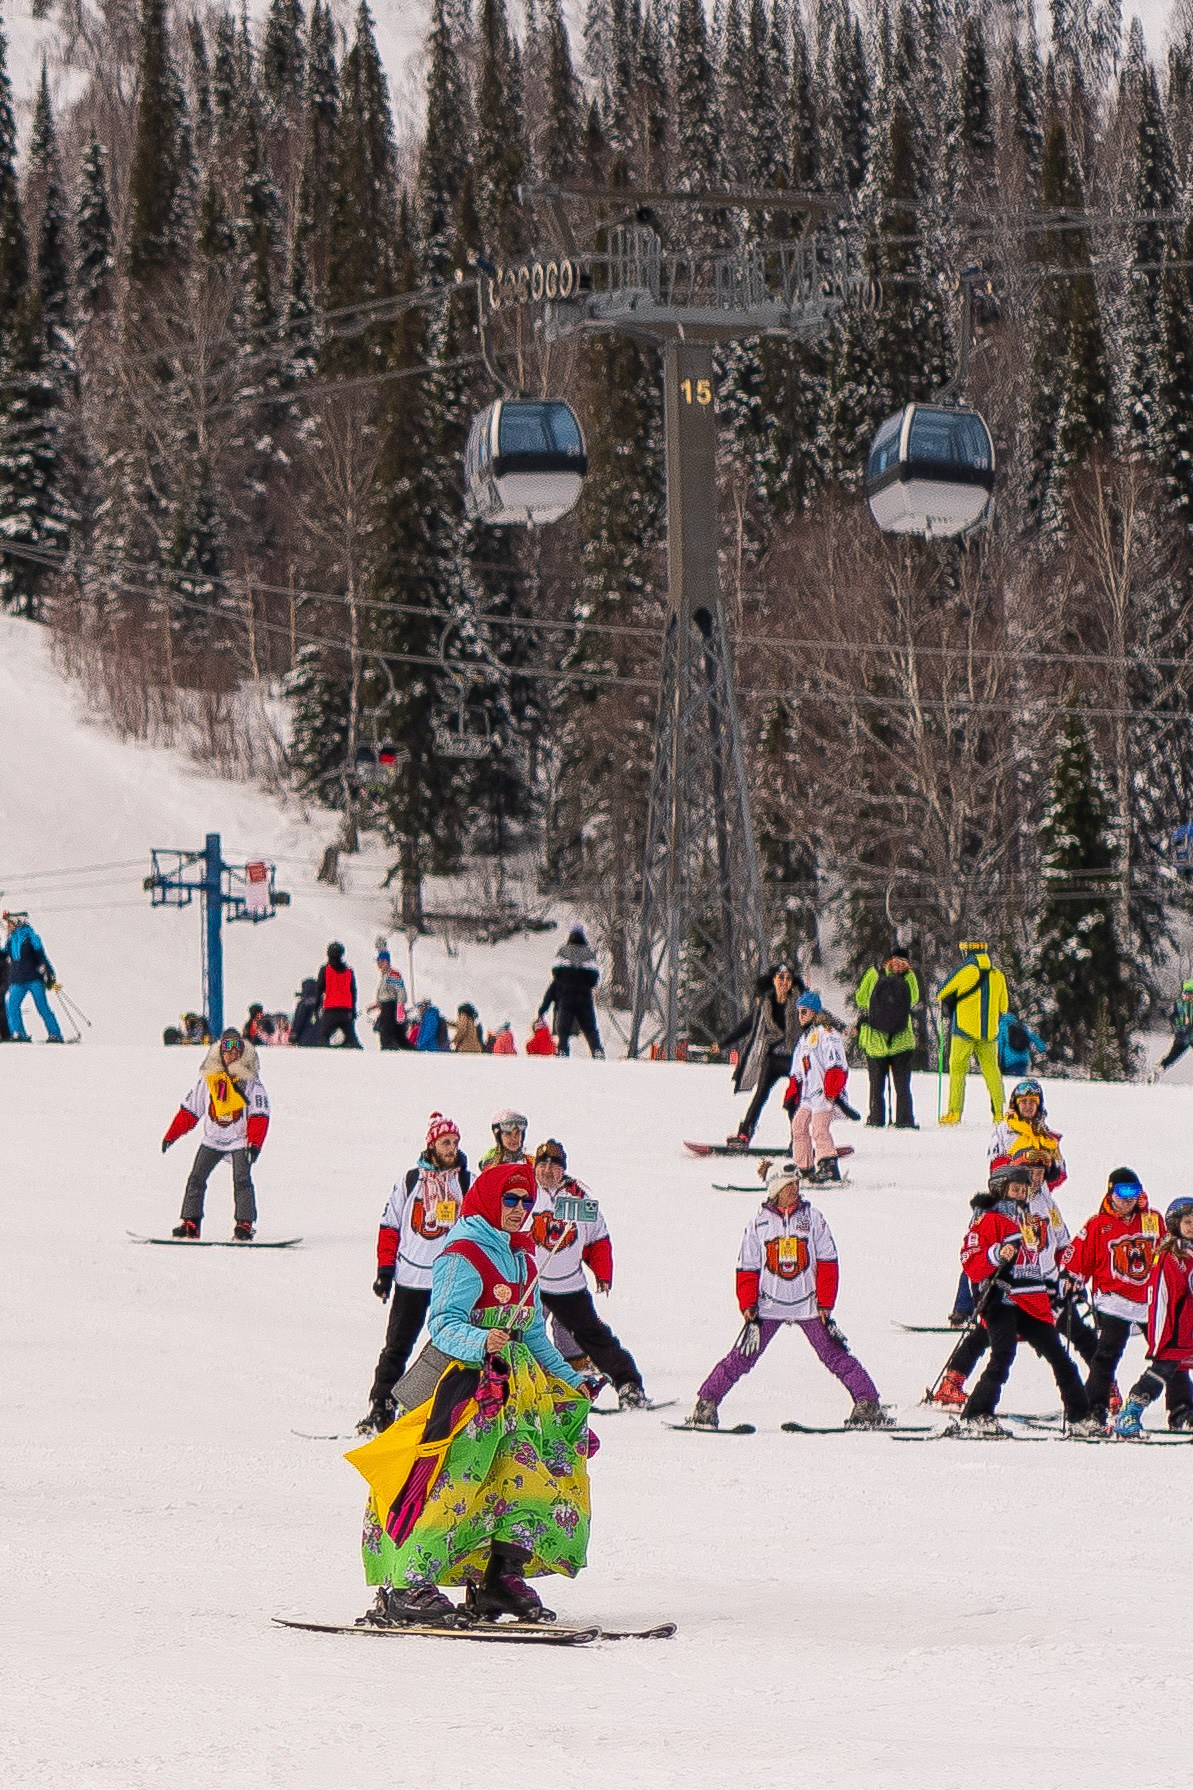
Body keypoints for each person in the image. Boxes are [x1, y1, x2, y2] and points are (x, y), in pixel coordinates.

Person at [346, 1161, 596, 1627]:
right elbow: (443, 1324)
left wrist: (569, 1378)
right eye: (510, 1199)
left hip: (520, 1398)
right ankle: (409, 1583)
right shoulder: (463, 1253)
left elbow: (534, 1335)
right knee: (454, 1481)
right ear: (488, 1199)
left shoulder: (523, 1259)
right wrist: (482, 1341)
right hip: (470, 1393)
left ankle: (499, 1577)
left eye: (526, 1201)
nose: (520, 1209)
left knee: (526, 1477)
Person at [684, 1160, 888, 1430]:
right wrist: (748, 1305)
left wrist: (825, 1302)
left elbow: (828, 1261)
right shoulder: (759, 1223)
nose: (795, 1189)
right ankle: (706, 1404)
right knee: (742, 1356)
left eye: (796, 1184)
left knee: (834, 1354)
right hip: (769, 1306)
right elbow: (747, 1267)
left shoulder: (813, 1218)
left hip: (808, 1305)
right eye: (789, 1185)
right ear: (776, 1189)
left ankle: (868, 1403)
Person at [932, 1147, 1094, 1407]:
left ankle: (1101, 1392)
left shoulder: (1046, 1202)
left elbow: (1061, 1243)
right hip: (1011, 1288)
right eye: (1030, 1172)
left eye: (1040, 1172)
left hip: (1044, 1284)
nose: (1035, 1178)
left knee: (1076, 1338)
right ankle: (957, 1387)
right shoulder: (996, 1212)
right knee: (993, 1340)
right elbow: (975, 1257)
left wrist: (1069, 1275)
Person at [357, 1113, 472, 1436]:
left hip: (450, 1281)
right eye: (445, 1142)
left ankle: (443, 1409)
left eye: (455, 1142)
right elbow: (389, 1227)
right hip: (411, 1279)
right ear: (431, 1144)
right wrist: (385, 1271)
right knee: (397, 1347)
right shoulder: (410, 1181)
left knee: (450, 1347)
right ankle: (381, 1406)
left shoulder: (467, 1182)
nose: (451, 1148)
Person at [530, 1138, 649, 1409]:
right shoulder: (526, 1193)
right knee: (519, 1335)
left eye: (554, 1165)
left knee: (594, 1336)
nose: (547, 1170)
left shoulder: (578, 1197)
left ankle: (628, 1385)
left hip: (568, 1286)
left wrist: (602, 1271)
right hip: (531, 1284)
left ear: (563, 1169)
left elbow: (597, 1238)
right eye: (542, 1165)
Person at [1062, 1168, 1170, 1428]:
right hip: (1114, 1301)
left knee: (1170, 1353)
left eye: (1134, 1191)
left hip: (1150, 1300)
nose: (1128, 1198)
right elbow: (1078, 1257)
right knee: (1106, 1357)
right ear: (1111, 1192)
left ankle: (1182, 1411)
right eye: (1122, 1192)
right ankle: (1093, 1413)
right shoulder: (1098, 1225)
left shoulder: (1152, 1219)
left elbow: (1167, 1253)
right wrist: (1072, 1278)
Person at [161, 1028, 269, 1240]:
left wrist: (254, 1144)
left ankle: (244, 1224)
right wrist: (171, 1135)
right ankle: (190, 1223)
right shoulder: (209, 1080)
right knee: (196, 1178)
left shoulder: (251, 1082)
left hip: (239, 1141)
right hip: (213, 1139)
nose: (232, 1053)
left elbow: (259, 1115)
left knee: (242, 1180)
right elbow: (190, 1110)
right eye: (227, 1047)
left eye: (237, 1047)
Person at [1115, 1196, 1193, 1436]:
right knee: (1163, 1371)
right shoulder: (1170, 1257)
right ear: (1175, 1224)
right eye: (1188, 1222)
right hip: (1176, 1331)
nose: (1192, 1227)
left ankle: (1183, 1416)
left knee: (1174, 1371)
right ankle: (1129, 1415)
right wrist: (1159, 1338)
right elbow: (1161, 1298)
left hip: (1190, 1329)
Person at [722, 962, 805, 1146]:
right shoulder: (765, 1005)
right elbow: (746, 1026)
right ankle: (744, 1134)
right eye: (780, 978)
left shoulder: (800, 1004)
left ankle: (798, 1140)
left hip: (793, 1060)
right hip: (772, 1058)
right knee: (760, 1096)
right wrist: (723, 1044)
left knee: (793, 1099)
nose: (784, 982)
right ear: (773, 980)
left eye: (788, 978)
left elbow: (818, 1016)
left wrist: (840, 1027)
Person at [936, 939, 1008, 1126]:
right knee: (993, 1072)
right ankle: (1000, 1113)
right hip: (989, 1033)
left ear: (967, 952)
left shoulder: (966, 971)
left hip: (963, 1030)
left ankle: (954, 1113)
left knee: (958, 1071)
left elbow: (941, 992)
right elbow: (1003, 1007)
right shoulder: (998, 975)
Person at [784, 992, 849, 1182]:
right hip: (808, 1094)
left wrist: (832, 1088)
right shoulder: (805, 1038)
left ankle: (829, 1166)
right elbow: (797, 1069)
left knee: (819, 1128)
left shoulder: (827, 1034)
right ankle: (804, 1166)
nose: (801, 1016)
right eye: (799, 1012)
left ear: (814, 1012)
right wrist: (793, 1090)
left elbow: (836, 1063)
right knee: (798, 1125)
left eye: (804, 1012)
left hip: (823, 1093)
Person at [853, 947, 918, 1129]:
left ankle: (876, 1118)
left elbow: (860, 999)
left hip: (876, 1040)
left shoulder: (873, 973)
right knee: (902, 1085)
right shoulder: (909, 977)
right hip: (902, 1040)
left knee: (876, 1084)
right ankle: (904, 1120)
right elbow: (914, 1000)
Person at [537, 925, 604, 1058]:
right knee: (589, 1027)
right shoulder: (589, 953)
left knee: (563, 1028)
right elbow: (594, 979)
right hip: (584, 997)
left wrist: (542, 1009)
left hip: (566, 997)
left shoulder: (563, 952)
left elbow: (555, 979)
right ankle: (597, 1050)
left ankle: (562, 1050)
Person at [987, 1081, 1066, 1189]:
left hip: (1039, 1194)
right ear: (1016, 1104)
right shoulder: (1004, 1130)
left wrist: (1051, 1169)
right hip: (1010, 1193)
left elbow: (1061, 1174)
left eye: (1032, 1102)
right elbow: (995, 1168)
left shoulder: (1046, 1136)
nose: (1028, 1106)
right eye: (1023, 1102)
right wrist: (1022, 1160)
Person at [3, 911, 63, 1043]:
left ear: (18, 922)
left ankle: (55, 1034)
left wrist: (49, 973)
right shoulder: (11, 940)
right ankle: (19, 1034)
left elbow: (41, 956)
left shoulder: (31, 937)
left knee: (42, 1007)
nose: (8, 926)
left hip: (34, 979)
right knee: (12, 1007)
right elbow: (4, 955)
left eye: (10, 923)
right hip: (16, 980)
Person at [317, 941, 361, 1048]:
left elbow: (319, 990)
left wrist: (316, 1008)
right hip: (346, 1010)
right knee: (351, 1039)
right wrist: (353, 1010)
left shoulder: (325, 970)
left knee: (323, 1038)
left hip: (330, 1010)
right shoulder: (349, 971)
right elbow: (353, 992)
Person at [1149, 980, 1193, 1081]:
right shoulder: (1180, 1005)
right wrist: (1181, 1023)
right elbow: (1174, 1018)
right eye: (1187, 994)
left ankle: (1159, 1069)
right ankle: (1158, 1070)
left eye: (1190, 994)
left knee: (1174, 1054)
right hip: (1182, 1037)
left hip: (1188, 1036)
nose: (1188, 996)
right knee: (1173, 1055)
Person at [367, 951, 409, 1051]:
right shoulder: (385, 975)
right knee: (396, 1033)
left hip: (391, 1006)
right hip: (386, 1006)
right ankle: (403, 1050)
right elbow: (385, 993)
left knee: (386, 1031)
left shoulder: (392, 974)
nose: (378, 964)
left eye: (380, 961)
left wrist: (400, 1007)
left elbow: (400, 991)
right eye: (378, 961)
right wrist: (377, 1004)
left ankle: (388, 1050)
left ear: (386, 961)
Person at [997, 1011, 1046, 1077]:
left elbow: (1001, 1044)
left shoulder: (1002, 1027)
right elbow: (1033, 1036)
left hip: (1009, 1059)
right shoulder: (1020, 1025)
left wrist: (999, 1059)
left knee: (1012, 1080)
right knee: (1020, 1078)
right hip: (1023, 1058)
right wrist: (1042, 1048)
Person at [290, 978, 321, 1047]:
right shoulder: (323, 1003)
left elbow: (299, 1021)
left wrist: (293, 1035)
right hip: (321, 1040)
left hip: (305, 1038)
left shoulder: (303, 1004)